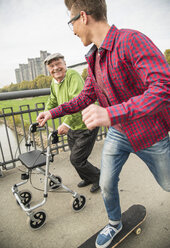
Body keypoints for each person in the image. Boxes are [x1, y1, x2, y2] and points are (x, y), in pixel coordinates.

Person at [37, 1, 170, 247]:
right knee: (106, 182)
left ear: (83, 17)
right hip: (118, 134)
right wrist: (52, 113)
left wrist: (112, 114)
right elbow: (84, 98)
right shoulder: (95, 59)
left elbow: (163, 88)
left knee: (168, 183)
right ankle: (114, 224)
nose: (73, 30)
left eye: (71, 22)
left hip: (150, 134)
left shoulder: (131, 40)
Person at [43, 52, 100, 193]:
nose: (55, 68)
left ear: (65, 64)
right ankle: (87, 178)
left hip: (86, 123)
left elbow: (79, 102)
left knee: (77, 159)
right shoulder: (54, 82)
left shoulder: (73, 75)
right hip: (73, 127)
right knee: (75, 157)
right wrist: (45, 113)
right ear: (48, 69)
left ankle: (98, 177)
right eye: (52, 66)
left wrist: (66, 123)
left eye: (58, 64)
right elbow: (52, 100)